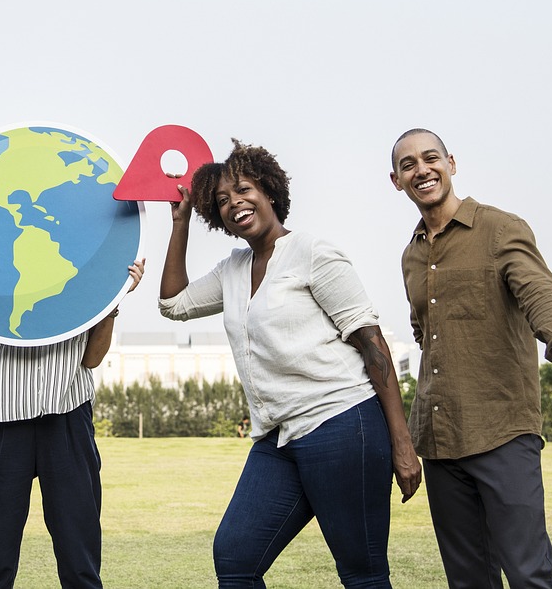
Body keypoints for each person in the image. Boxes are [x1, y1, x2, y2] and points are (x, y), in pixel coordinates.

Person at [159, 140, 421, 589]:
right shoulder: (232, 270)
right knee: (235, 558)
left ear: (268, 191)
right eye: (222, 200)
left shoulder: (312, 252)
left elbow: (372, 345)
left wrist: (402, 443)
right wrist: (180, 222)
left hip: (342, 424)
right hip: (277, 438)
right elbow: (172, 303)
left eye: (243, 189)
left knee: (362, 573)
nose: (234, 203)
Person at [389, 128, 552, 588]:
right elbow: (424, 334)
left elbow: (537, 291)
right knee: (468, 580)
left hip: (502, 430)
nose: (421, 169)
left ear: (452, 163)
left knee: (530, 574)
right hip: (440, 439)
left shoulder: (499, 228)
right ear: (396, 180)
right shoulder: (410, 255)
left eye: (431, 158)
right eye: (408, 164)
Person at [0, 258, 144, 589]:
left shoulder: (79, 274)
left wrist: (113, 299)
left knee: (79, 559)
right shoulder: (0, 276)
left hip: (68, 416)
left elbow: (92, 359)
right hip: (6, 416)